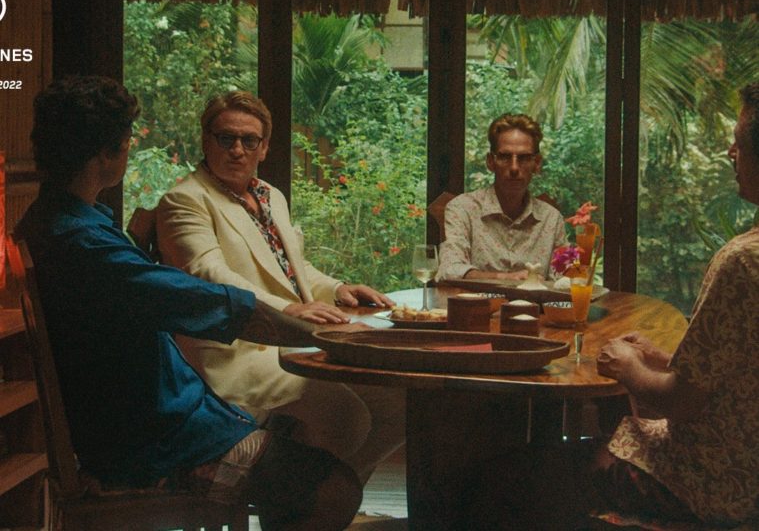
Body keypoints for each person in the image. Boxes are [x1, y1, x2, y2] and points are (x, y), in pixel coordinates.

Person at [15, 76, 362, 531]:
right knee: (335, 488)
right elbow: (201, 294)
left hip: (156, 416)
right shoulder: (82, 241)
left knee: (314, 437)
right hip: (154, 442)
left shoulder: (58, 221)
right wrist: (329, 337)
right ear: (107, 154)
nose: (238, 150)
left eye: (250, 140)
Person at [468, 82, 759, 529]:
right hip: (743, 463)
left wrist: (629, 366)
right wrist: (661, 358)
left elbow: (681, 402)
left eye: (738, 142)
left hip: (710, 483)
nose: (729, 152)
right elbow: (733, 372)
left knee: (503, 476)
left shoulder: (742, 260)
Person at [156, 91, 405, 484]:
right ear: (206, 141)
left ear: (264, 147)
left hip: (291, 343)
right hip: (236, 352)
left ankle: (324, 499)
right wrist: (287, 309)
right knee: (347, 415)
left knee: (399, 403)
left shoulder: (269, 195)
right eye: (226, 138)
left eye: (249, 140)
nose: (237, 150)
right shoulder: (185, 200)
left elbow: (291, 269)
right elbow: (207, 274)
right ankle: (307, 499)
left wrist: (337, 288)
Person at [436, 113, 567, 281]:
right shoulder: (463, 209)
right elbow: (449, 269)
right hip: (476, 299)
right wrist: (504, 278)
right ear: (490, 162)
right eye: (505, 157)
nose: (514, 168)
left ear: (537, 163)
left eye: (524, 158)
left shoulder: (552, 219)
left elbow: (565, 281)